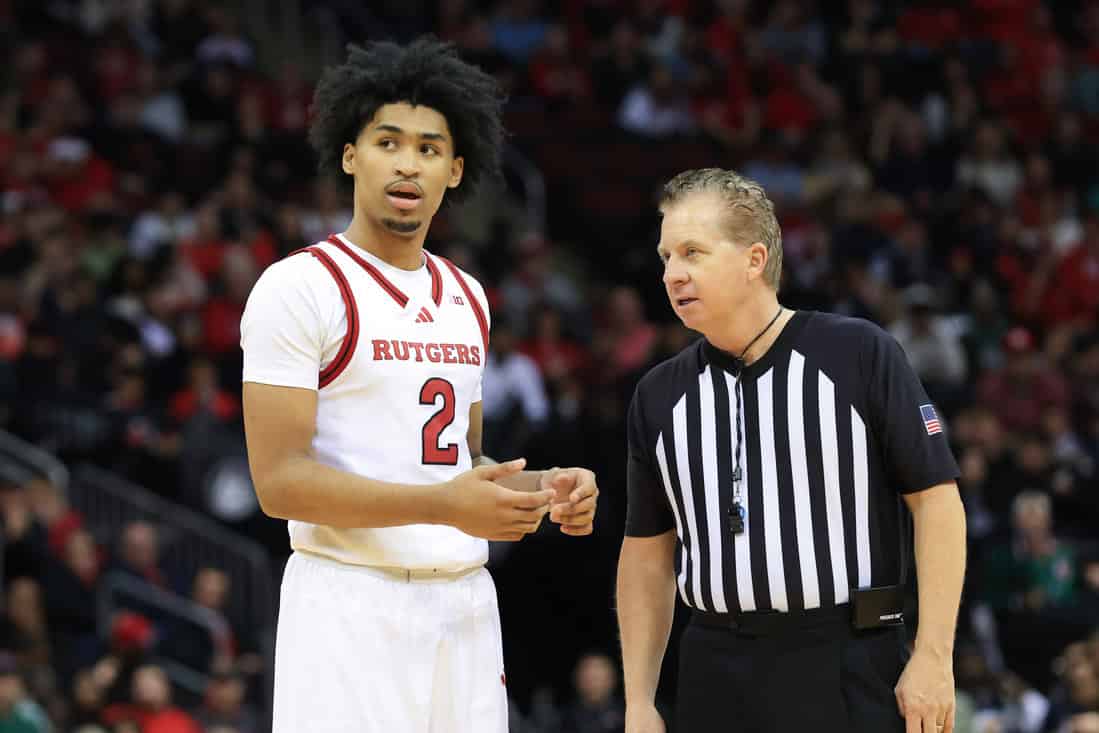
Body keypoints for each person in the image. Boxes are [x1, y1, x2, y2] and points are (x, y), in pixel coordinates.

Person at [239, 38, 600, 733]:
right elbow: (278, 481)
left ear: (454, 169)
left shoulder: (467, 295)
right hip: (350, 604)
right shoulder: (299, 287)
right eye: (388, 141)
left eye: (430, 148)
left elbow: (459, 462)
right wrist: (444, 505)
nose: (408, 163)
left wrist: (541, 485)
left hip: (463, 604)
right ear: (350, 154)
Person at [616, 168, 967, 733]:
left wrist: (933, 655)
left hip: (847, 658)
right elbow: (646, 553)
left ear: (754, 260)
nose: (672, 274)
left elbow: (937, 502)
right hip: (713, 665)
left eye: (692, 253)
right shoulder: (658, 394)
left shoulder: (857, 352)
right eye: (665, 257)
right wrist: (639, 700)